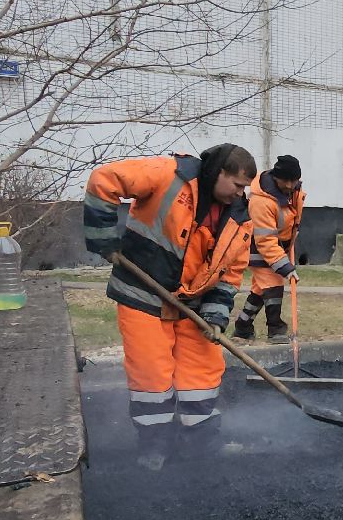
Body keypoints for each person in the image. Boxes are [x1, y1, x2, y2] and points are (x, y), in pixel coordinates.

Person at [82, 143, 257, 472]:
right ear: (218, 172)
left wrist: (216, 314)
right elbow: (104, 179)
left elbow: (231, 272)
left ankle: (202, 443)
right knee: (152, 377)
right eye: (236, 185)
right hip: (143, 296)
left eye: (245, 188)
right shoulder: (169, 175)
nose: (240, 193)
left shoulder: (240, 217)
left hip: (193, 303)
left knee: (202, 375)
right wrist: (103, 237)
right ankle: (154, 446)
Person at [233, 154, 305, 342]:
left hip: (278, 245)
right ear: (275, 177)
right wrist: (286, 268)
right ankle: (276, 329)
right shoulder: (261, 201)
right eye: (285, 180)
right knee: (273, 285)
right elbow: (265, 241)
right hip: (257, 247)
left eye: (293, 180)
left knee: (259, 289)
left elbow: (292, 218)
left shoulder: (293, 191)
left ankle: (242, 327)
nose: (289, 185)